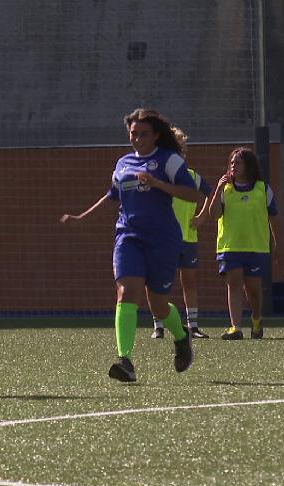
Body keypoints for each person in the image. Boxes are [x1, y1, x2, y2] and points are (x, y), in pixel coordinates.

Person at [61, 109, 201, 382]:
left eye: (144, 134)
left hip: (162, 239)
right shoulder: (123, 163)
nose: (137, 139)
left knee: (158, 305)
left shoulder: (168, 160)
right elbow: (112, 196)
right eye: (133, 133)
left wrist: (158, 183)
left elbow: (191, 193)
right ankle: (125, 360)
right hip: (128, 236)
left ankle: (182, 337)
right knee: (126, 292)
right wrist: (81, 219)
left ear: (156, 135)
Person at [207, 147, 284, 340]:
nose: (233, 166)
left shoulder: (262, 188)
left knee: (253, 290)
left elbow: (274, 218)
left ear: (248, 165)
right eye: (231, 162)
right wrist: (217, 190)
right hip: (230, 246)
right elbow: (214, 214)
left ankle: (256, 319)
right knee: (234, 283)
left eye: (238, 162)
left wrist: (276, 244)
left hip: (256, 247)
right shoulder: (225, 189)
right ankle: (236, 327)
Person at [149, 126, 212, 339]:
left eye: (180, 149)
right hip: (163, 239)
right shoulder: (159, 178)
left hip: (188, 238)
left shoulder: (192, 177)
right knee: (159, 284)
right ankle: (158, 326)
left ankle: (192, 327)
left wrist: (202, 216)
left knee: (190, 282)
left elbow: (210, 194)